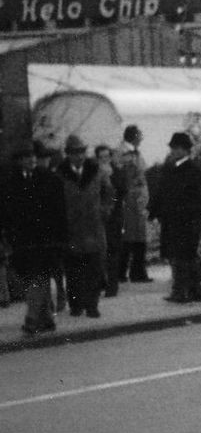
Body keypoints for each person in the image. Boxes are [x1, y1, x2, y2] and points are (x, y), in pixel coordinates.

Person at [3, 142, 68, 333]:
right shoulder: (10, 182)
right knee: (32, 277)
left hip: (46, 239)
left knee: (38, 276)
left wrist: (62, 238)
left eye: (33, 156)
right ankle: (47, 318)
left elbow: (60, 211)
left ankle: (31, 318)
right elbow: (6, 211)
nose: (31, 160)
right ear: (19, 161)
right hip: (22, 240)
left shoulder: (50, 179)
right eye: (26, 157)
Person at [56, 136, 114, 318]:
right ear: (68, 155)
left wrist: (105, 211)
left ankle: (92, 305)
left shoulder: (96, 171)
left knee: (94, 269)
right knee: (73, 270)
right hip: (71, 230)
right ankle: (76, 305)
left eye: (81, 152)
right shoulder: (60, 174)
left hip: (94, 228)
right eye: (74, 153)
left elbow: (110, 193)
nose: (79, 156)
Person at [150, 132, 201, 303]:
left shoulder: (193, 170)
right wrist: (153, 210)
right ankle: (190, 290)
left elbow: (198, 198)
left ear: (185, 150)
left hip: (187, 220)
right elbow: (161, 192)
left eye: (176, 148)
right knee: (178, 255)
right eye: (173, 148)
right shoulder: (169, 168)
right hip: (171, 220)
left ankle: (185, 291)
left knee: (185, 256)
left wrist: (193, 216)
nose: (173, 151)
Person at [114, 125, 152, 284]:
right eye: (140, 135)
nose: (142, 138)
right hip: (131, 199)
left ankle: (133, 271)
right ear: (134, 136)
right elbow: (129, 176)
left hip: (136, 198)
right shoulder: (125, 154)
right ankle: (132, 272)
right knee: (131, 236)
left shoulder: (131, 152)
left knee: (136, 235)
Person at [93, 145, 123, 298]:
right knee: (99, 252)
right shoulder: (94, 174)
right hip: (99, 219)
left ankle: (112, 285)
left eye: (107, 156)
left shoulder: (116, 172)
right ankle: (100, 282)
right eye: (101, 157)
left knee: (113, 251)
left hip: (114, 217)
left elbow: (122, 191)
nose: (105, 159)